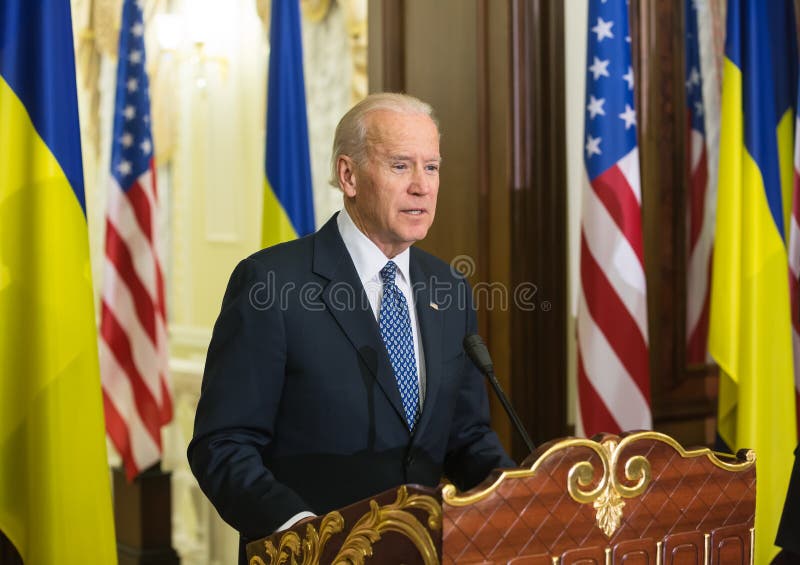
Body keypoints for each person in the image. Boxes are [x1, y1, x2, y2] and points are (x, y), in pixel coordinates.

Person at [188, 92, 515, 563]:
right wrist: (303, 533)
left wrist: (523, 501)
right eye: (401, 166)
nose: (422, 186)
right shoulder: (271, 283)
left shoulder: (449, 286)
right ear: (349, 175)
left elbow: (466, 438)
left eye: (432, 167)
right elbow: (222, 445)